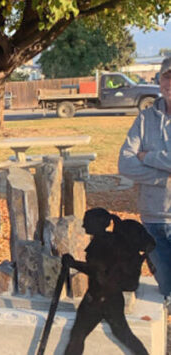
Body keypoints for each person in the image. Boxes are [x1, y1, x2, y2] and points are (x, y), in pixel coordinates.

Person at [118, 56, 171, 297]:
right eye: (167, 77)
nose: (170, 83)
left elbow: (138, 159)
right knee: (166, 288)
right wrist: (164, 178)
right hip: (153, 220)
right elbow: (125, 164)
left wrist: (149, 156)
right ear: (160, 81)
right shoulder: (145, 119)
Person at [62, 208, 149, 355]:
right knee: (79, 335)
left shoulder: (101, 244)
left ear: (98, 223)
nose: (83, 226)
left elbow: (97, 270)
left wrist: (73, 263)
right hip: (102, 296)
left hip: (103, 299)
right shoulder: (107, 241)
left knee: (81, 336)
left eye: (87, 222)